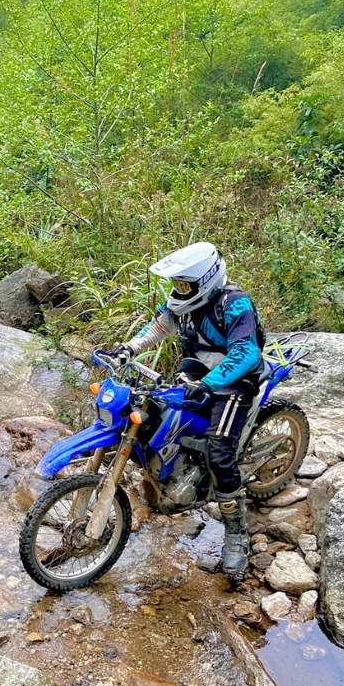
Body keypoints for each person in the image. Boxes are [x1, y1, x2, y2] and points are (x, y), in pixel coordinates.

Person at [109, 242, 264, 581]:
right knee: (151, 417)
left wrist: (211, 383)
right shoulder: (184, 303)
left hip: (234, 384)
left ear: (206, 279)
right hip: (196, 376)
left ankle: (236, 532)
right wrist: (129, 349)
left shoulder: (234, 304)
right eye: (176, 284)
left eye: (184, 284)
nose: (178, 291)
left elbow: (246, 351)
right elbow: (161, 326)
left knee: (221, 449)